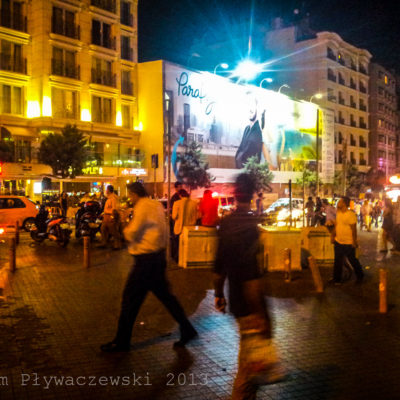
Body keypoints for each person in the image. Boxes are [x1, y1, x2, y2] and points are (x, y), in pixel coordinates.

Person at [101, 182, 197, 352]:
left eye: (130, 195)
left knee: (130, 300)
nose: (130, 198)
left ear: (134, 194)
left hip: (145, 261)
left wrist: (124, 226)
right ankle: (187, 329)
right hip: (157, 258)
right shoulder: (156, 204)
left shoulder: (142, 207)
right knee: (166, 298)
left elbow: (132, 233)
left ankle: (121, 341)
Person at [214, 173, 285, 399]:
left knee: (250, 363)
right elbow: (251, 275)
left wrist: (218, 295)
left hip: (235, 299)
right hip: (250, 303)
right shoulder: (251, 226)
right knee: (248, 370)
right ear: (253, 195)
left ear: (235, 195)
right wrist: (260, 313)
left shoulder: (225, 224)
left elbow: (218, 266)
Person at [330, 196, 364, 284]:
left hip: (348, 242)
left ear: (344, 203)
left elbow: (354, 229)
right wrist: (333, 236)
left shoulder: (350, 214)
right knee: (337, 261)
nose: (338, 203)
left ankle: (360, 276)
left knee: (353, 260)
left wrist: (354, 241)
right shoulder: (339, 213)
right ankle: (336, 279)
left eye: (340, 201)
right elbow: (337, 225)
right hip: (338, 241)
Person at [235, 92, 263, 168]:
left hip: (251, 174)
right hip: (241, 171)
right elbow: (240, 150)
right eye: (247, 105)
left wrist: (239, 159)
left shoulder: (259, 130)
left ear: (257, 106)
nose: (250, 109)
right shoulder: (247, 129)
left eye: (252, 104)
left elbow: (252, 156)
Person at [172, 189, 198, 261]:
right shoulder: (194, 203)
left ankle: (178, 259)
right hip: (190, 228)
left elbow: (174, 216)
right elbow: (196, 216)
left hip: (179, 229)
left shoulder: (177, 203)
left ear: (180, 195)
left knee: (178, 246)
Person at [98, 185, 121, 250]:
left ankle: (117, 245)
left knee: (113, 231)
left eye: (106, 189)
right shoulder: (109, 198)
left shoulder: (113, 198)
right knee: (103, 229)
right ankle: (104, 243)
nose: (106, 191)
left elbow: (114, 209)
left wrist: (112, 217)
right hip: (106, 216)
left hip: (110, 216)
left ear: (109, 190)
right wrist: (103, 213)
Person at [170, 182, 182, 261]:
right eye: (179, 186)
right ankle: (175, 256)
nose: (181, 188)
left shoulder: (182, 196)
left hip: (180, 221)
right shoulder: (174, 198)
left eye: (181, 186)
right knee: (175, 239)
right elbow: (172, 212)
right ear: (176, 188)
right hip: (176, 221)